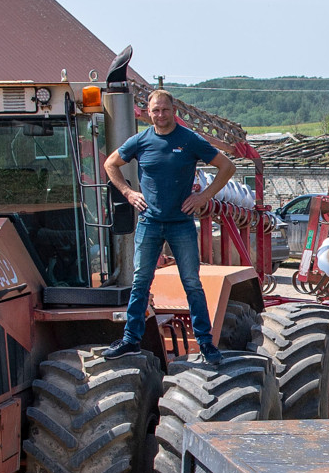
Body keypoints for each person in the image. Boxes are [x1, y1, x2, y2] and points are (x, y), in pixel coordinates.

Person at [102, 89, 241, 366]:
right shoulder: (140, 141)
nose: (160, 115)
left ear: (173, 111)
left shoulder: (189, 140)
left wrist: (203, 196)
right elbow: (110, 164)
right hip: (149, 223)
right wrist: (128, 194)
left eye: (165, 110)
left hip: (181, 224)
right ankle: (131, 339)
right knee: (140, 282)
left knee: (191, 283)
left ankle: (205, 343)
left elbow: (227, 167)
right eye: (155, 111)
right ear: (149, 113)